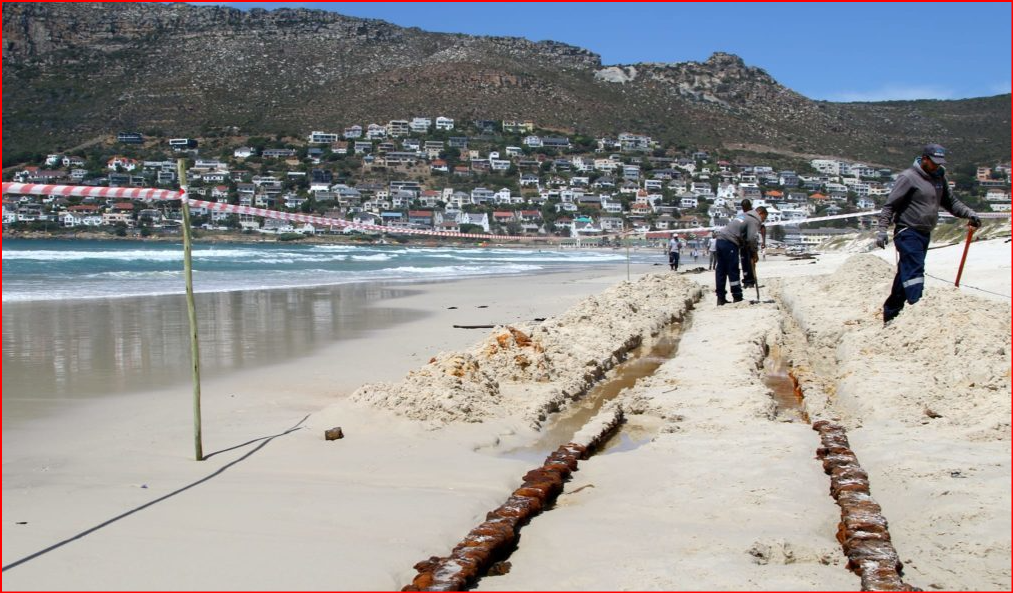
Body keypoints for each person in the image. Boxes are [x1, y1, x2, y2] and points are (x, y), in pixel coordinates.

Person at [876, 143, 981, 323]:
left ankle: (891, 313)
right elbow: (890, 205)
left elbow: (951, 202)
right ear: (924, 159)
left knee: (905, 272)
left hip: (925, 233)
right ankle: (918, 308)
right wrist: (882, 230)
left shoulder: (939, 178)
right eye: (933, 162)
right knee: (915, 270)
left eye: (939, 163)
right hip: (907, 231)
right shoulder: (908, 177)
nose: (937, 166)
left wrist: (969, 213)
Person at [714, 206, 767, 305]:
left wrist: (747, 247)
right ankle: (737, 296)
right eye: (764, 218)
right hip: (729, 242)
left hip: (720, 240)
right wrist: (754, 252)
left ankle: (720, 298)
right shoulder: (754, 219)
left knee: (721, 270)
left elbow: (743, 235)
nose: (762, 221)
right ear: (761, 213)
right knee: (732, 269)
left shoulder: (744, 215)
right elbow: (751, 238)